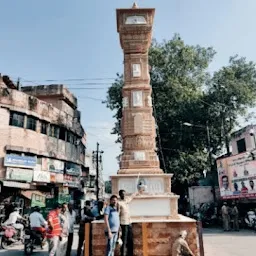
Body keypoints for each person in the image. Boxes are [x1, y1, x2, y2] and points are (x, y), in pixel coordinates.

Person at [118, 190, 138, 256]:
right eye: (122, 194)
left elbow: (131, 197)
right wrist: (119, 226)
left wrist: (137, 190)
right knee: (124, 241)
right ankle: (123, 254)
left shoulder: (126, 201)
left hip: (129, 222)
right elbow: (117, 214)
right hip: (123, 223)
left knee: (130, 240)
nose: (123, 195)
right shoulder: (119, 203)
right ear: (120, 195)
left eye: (124, 194)